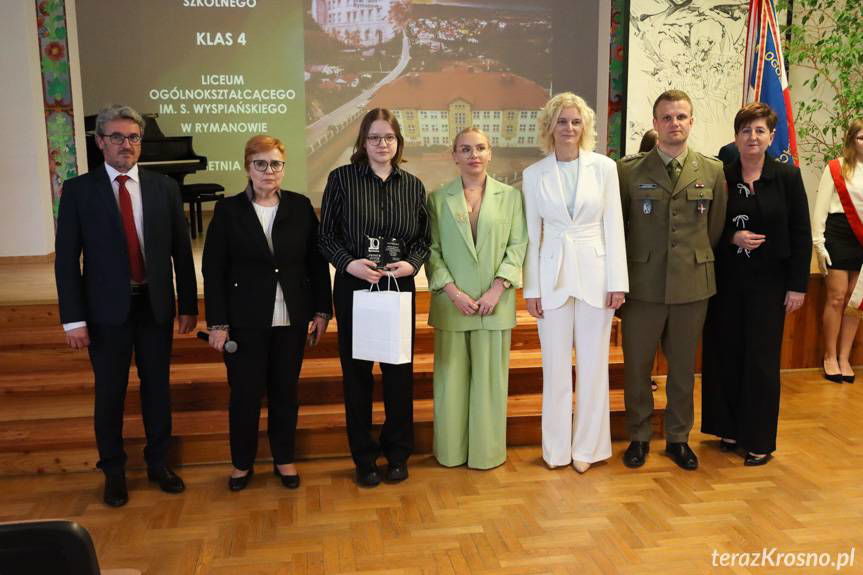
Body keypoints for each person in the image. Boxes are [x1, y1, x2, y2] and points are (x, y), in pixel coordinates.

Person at [54, 104, 197, 506]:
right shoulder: (79, 191)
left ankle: (158, 464)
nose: (126, 145)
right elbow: (66, 260)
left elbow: (181, 253)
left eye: (133, 137)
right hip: (104, 314)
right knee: (111, 393)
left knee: (157, 390)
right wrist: (73, 321)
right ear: (100, 142)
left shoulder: (163, 187)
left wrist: (187, 304)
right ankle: (113, 471)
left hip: (154, 307)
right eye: (117, 137)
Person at [202, 135, 332, 491]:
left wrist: (322, 310)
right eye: (261, 163)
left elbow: (316, 264)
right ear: (247, 167)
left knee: (285, 393)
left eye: (276, 163)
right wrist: (217, 323)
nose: (269, 171)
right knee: (244, 395)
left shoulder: (301, 206)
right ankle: (242, 464)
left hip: (292, 319)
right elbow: (213, 271)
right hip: (244, 322)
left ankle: (284, 459)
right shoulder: (228, 211)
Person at [319, 108, 430, 487]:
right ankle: (364, 457)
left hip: (398, 288)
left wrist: (412, 264)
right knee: (358, 376)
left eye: (389, 138)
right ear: (362, 142)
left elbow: (423, 240)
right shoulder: (341, 180)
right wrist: (349, 264)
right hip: (356, 287)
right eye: (374, 138)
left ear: (398, 143)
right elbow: (326, 236)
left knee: (399, 373)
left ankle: (397, 453)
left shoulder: (413, 185)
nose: (382, 145)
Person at [617, 89, 727, 471]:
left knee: (682, 369)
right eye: (667, 117)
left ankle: (678, 438)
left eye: (681, 117)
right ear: (655, 123)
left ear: (691, 122)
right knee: (637, 368)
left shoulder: (712, 171)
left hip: (692, 285)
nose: (674, 123)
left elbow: (713, 229)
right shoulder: (629, 171)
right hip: (642, 285)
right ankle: (639, 436)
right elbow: (620, 230)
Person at [523, 93, 628, 473]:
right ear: (549, 126)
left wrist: (618, 281)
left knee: (593, 365)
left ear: (585, 127)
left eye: (575, 122)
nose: (569, 128)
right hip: (550, 279)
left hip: (596, 278)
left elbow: (613, 226)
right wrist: (531, 289)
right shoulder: (533, 175)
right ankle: (556, 450)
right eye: (562, 121)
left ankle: (588, 449)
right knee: (554, 368)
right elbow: (533, 236)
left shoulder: (604, 168)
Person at [701, 103, 811, 465]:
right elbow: (708, 229)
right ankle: (729, 430)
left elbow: (800, 232)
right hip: (727, 283)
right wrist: (733, 237)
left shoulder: (788, 177)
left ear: (771, 136)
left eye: (760, 130)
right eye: (746, 130)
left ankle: (759, 440)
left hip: (770, 285)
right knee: (726, 354)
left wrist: (798, 286)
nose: (753, 137)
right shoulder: (722, 177)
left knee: (761, 362)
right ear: (736, 137)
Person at [426, 127, 527, 470]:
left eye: (480, 148)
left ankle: (486, 454)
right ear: (453, 155)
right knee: (451, 383)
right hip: (452, 305)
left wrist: (497, 289)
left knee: (489, 384)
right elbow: (432, 251)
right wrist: (452, 292)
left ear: (490, 153)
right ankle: (451, 452)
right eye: (465, 149)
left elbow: (518, 246)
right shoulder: (437, 199)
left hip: (494, 305)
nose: (473, 155)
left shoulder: (511, 197)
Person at [812, 119, 863, 383]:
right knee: (837, 297)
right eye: (861, 137)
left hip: (862, 240)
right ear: (851, 139)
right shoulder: (836, 167)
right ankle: (830, 356)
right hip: (839, 233)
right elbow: (820, 207)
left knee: (856, 304)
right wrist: (818, 243)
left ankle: (844, 358)